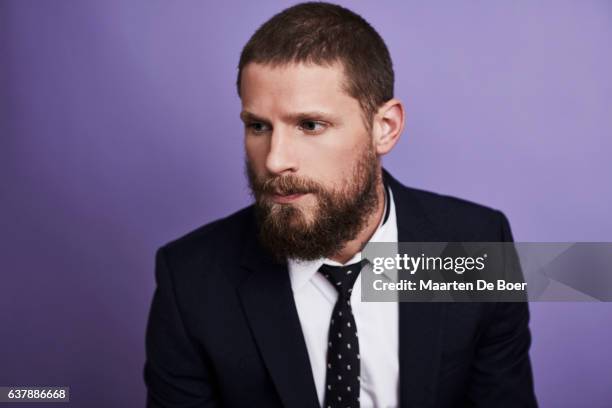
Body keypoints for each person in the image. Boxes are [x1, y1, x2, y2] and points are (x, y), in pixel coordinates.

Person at [144, 2, 537, 407]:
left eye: (310, 125)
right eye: (258, 126)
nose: (275, 160)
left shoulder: (477, 246)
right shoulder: (191, 282)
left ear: (384, 129)